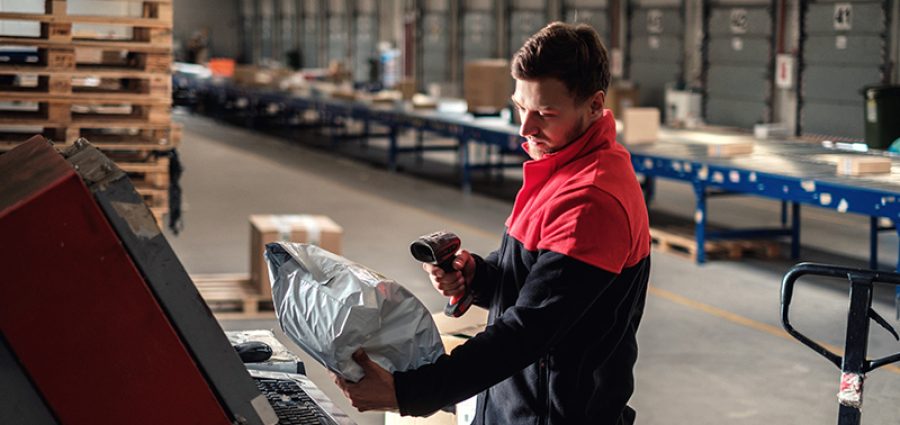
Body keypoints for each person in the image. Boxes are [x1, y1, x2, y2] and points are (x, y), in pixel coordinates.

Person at [334, 22, 651, 424]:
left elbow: (527, 332)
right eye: (520, 107)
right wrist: (479, 276)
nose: (525, 127)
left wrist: (408, 392)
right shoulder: (559, 169)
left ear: (594, 105)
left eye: (544, 113)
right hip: (521, 403)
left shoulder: (593, 200)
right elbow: (537, 281)